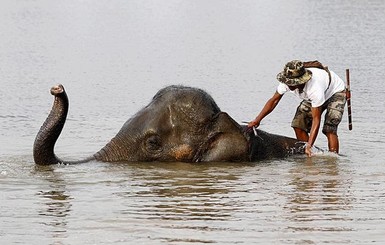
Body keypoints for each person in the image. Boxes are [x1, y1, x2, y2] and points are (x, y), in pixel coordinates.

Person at [247, 60, 346, 157]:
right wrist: (257, 120)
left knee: (329, 128)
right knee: (298, 124)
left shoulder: (314, 88)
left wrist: (310, 144)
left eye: (292, 83)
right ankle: (309, 153)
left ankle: (333, 159)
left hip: (335, 92)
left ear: (301, 81)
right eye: (288, 82)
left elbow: (316, 119)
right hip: (315, 96)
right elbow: (273, 101)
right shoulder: (286, 82)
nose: (289, 85)